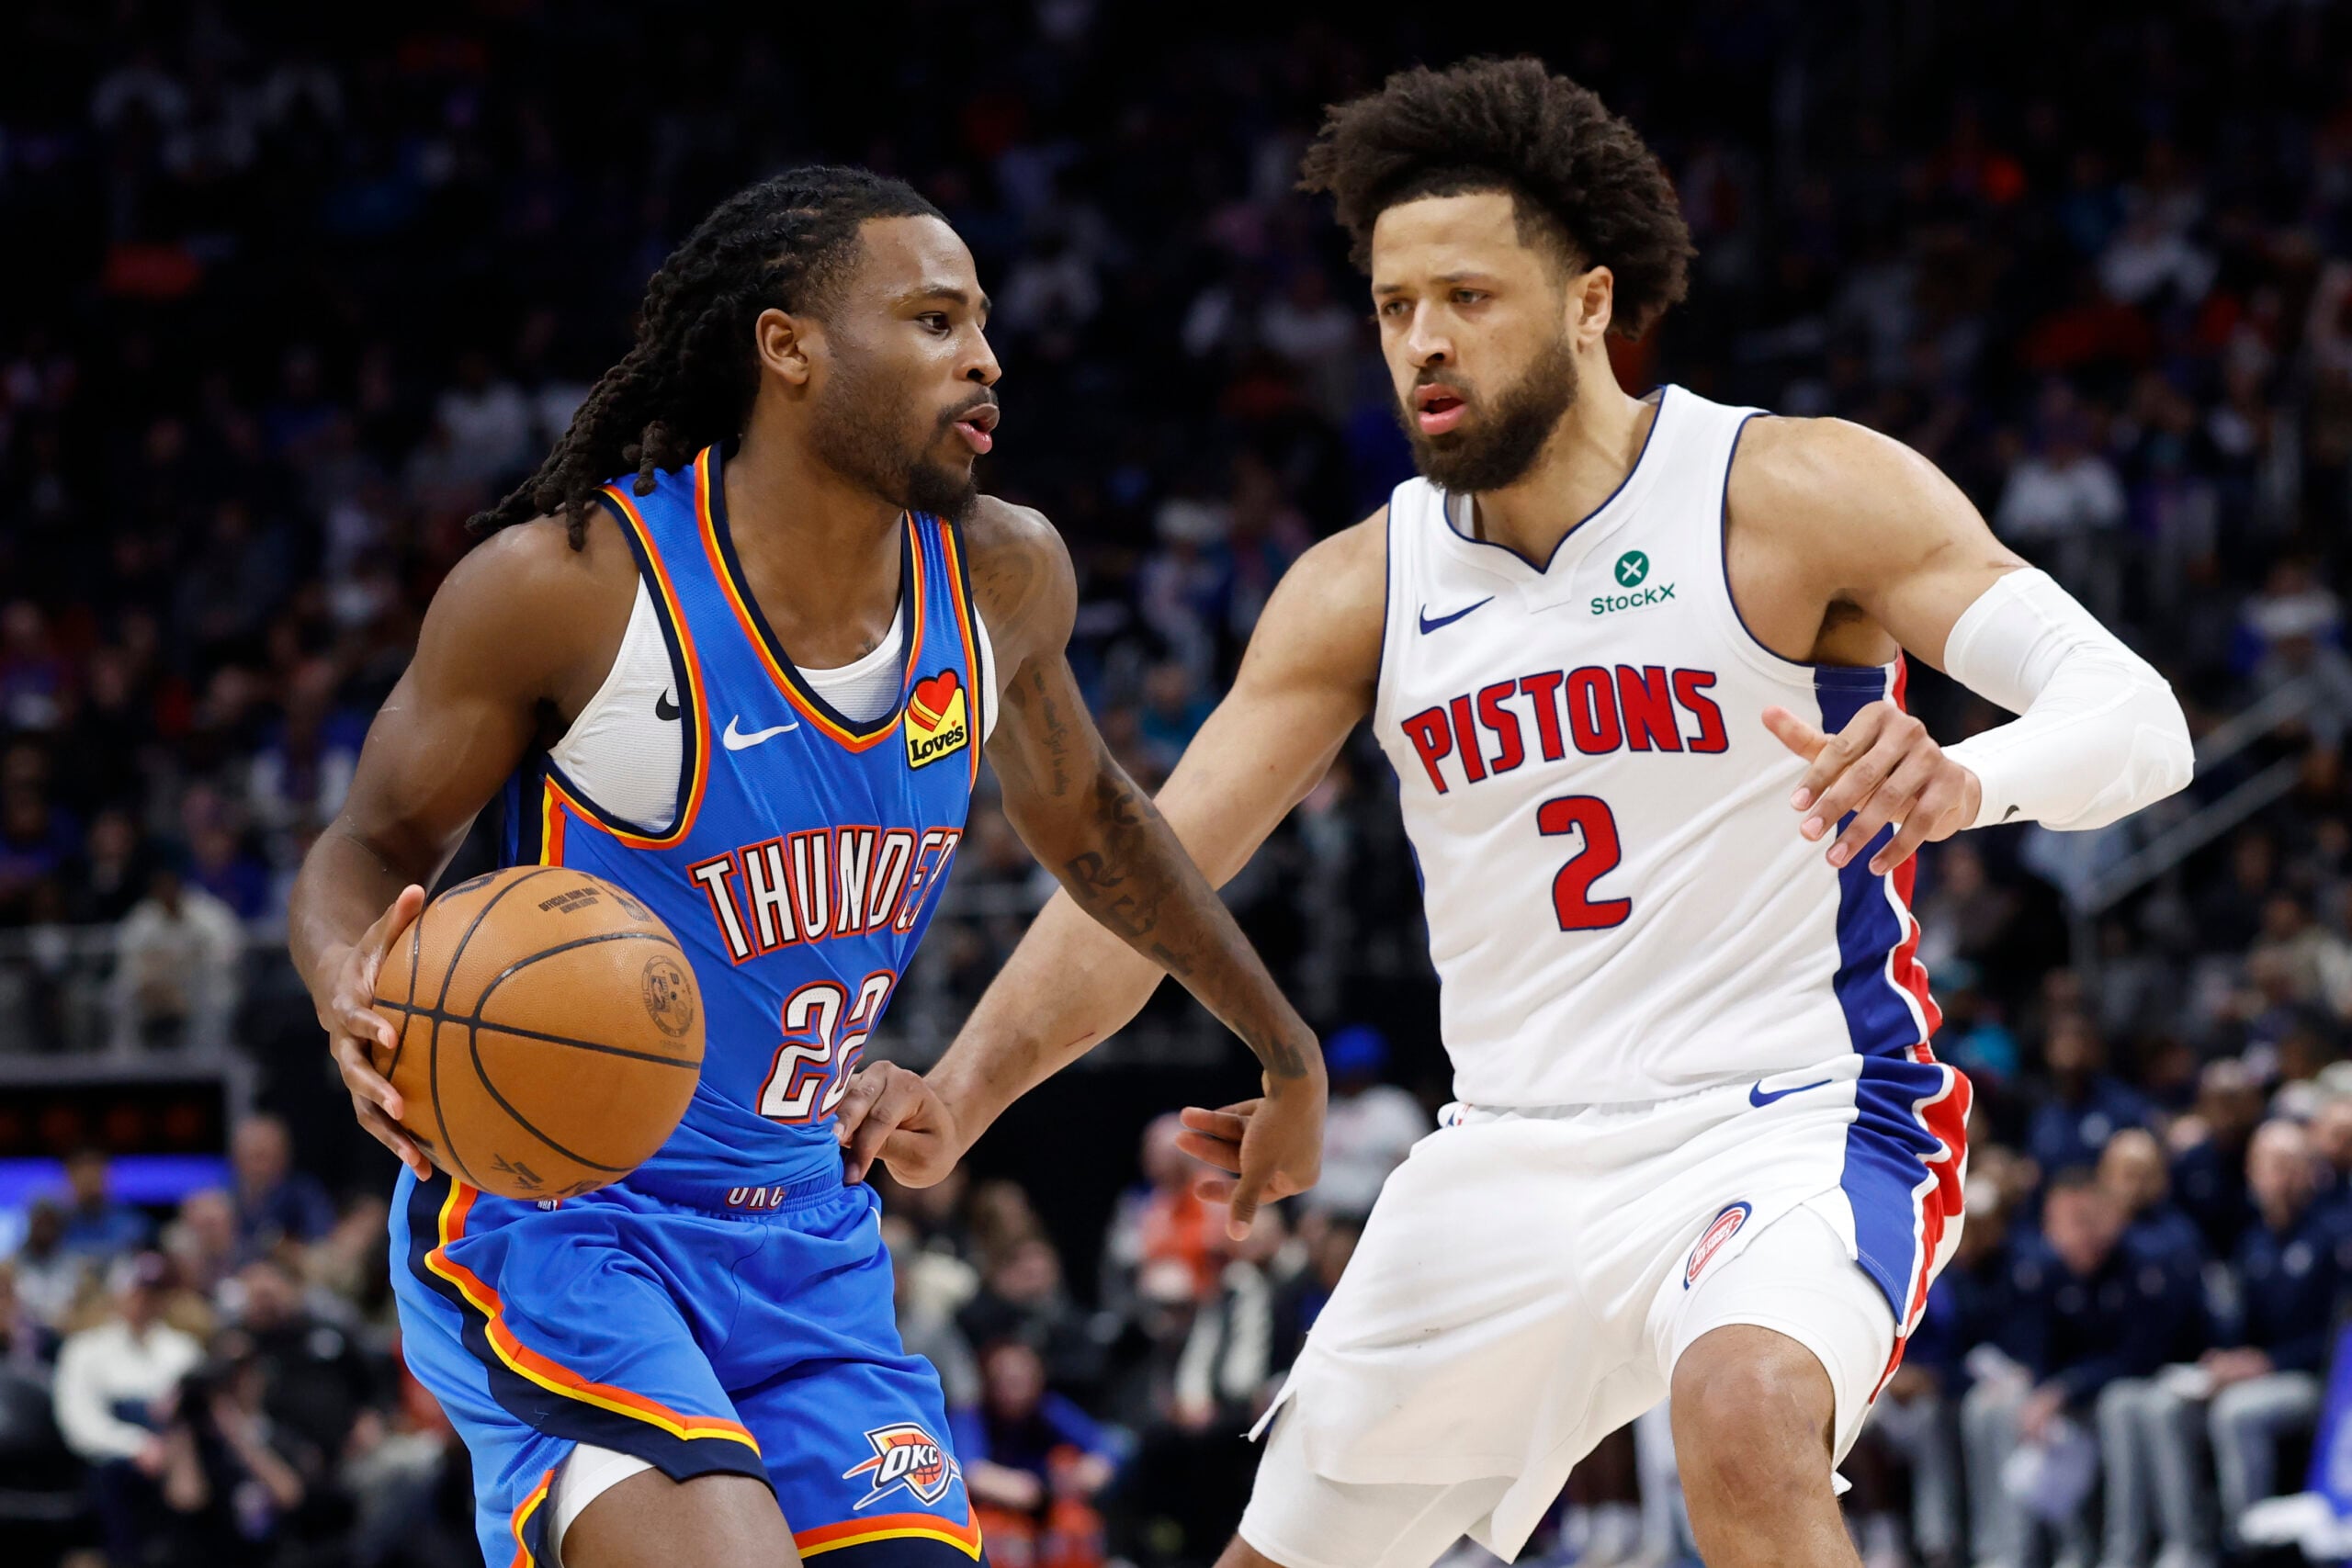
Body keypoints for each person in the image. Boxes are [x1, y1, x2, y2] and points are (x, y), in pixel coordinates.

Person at [841, 57, 2193, 1568]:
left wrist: (1969, 780)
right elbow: (1141, 872)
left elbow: (2139, 722)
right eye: (1394, 304)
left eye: (1467, 297)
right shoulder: (1365, 584)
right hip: (1505, 1155)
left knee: (1743, 1407)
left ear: (1592, 304)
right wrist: (959, 1092)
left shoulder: (1793, 490)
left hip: (1791, 1111)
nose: (1423, 340)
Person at [287, 165, 1325, 1568]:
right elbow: (368, 847)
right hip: (565, 1221)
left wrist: (1282, 1044)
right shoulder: (576, 588)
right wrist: (349, 975)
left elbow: (1096, 825)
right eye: (937, 321)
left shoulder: (1002, 574)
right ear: (788, 347)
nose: (985, 359)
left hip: (806, 1238)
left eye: (984, 324)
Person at [230, 1113, 337, 1258]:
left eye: (263, 1156)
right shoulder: (222, 1194)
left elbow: (323, 1244)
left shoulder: (304, 1192)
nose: (257, 1167)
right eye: (250, 1156)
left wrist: (285, 1248)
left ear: (284, 1156)